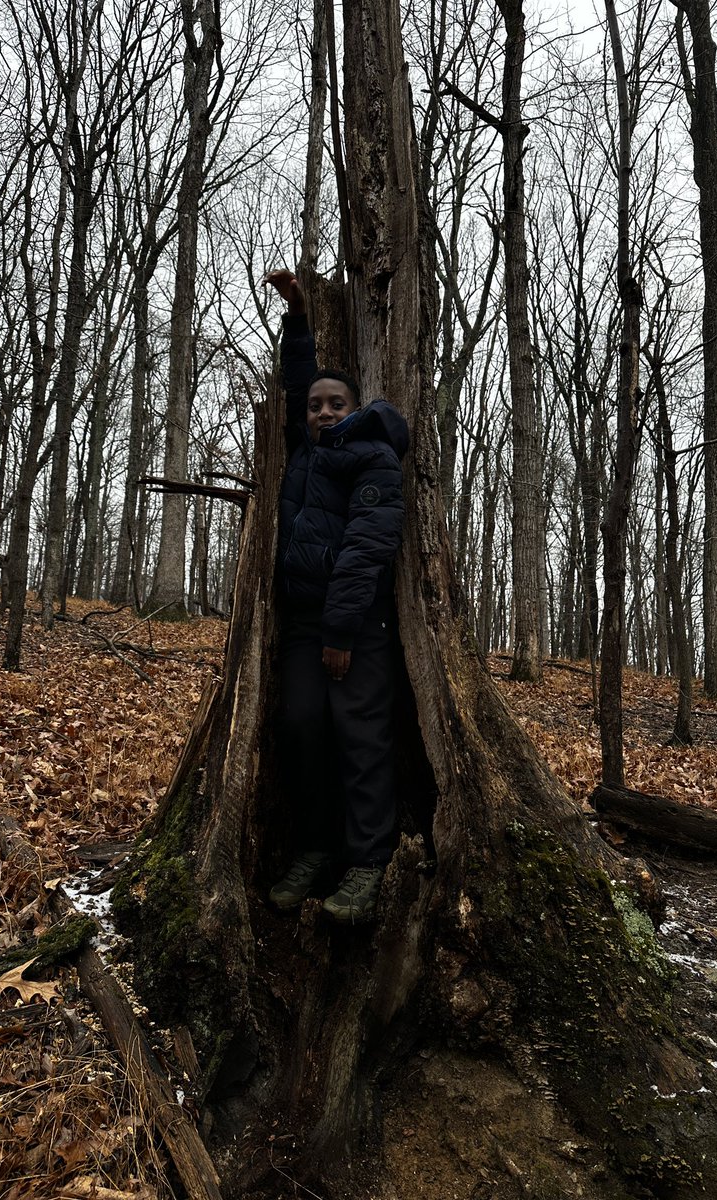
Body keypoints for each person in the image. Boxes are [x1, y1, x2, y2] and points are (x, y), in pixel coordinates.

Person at [263, 269, 408, 923]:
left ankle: (369, 861)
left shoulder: (373, 456)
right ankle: (316, 849)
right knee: (301, 727)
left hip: (356, 624)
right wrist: (297, 317)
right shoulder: (304, 453)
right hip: (300, 621)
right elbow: (298, 381)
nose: (322, 411)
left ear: (355, 410)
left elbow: (367, 547)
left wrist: (342, 631)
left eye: (335, 404)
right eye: (315, 405)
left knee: (360, 736)